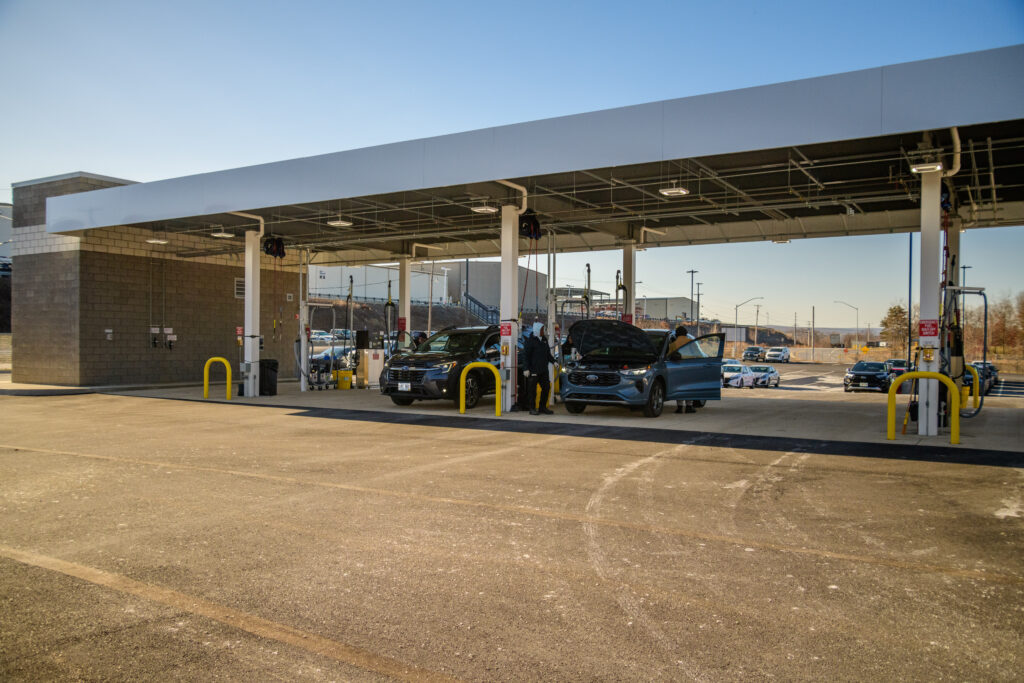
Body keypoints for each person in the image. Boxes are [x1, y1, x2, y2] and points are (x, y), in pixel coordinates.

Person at [524, 322, 555, 415]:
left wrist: (554, 361)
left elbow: (548, 354)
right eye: (542, 329)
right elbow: (526, 356)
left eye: (543, 329)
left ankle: (542, 407)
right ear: (537, 330)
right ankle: (532, 408)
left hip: (543, 370)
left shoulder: (544, 340)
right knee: (532, 391)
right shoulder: (530, 341)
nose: (543, 331)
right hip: (533, 370)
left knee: (546, 387)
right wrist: (526, 368)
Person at [668, 325, 697, 414]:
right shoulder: (691, 342)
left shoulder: (673, 344)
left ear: (676, 334)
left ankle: (680, 407)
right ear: (686, 334)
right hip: (690, 367)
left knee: (679, 387)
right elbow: (697, 354)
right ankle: (689, 406)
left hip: (678, 367)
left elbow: (668, 356)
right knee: (689, 386)